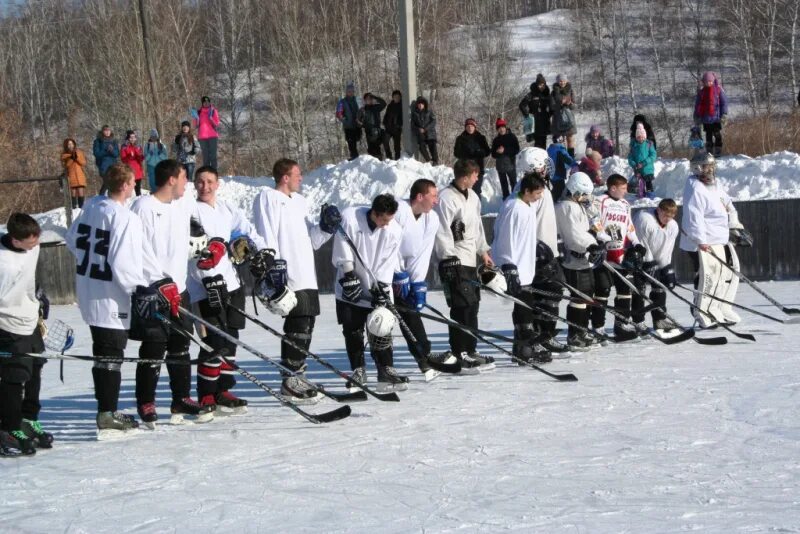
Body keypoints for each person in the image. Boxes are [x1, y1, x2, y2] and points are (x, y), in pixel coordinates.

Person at [65, 163, 160, 438]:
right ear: (127, 185)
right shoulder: (125, 217)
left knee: (104, 352)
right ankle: (107, 413)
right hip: (110, 296)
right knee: (111, 353)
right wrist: (140, 287)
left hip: (89, 290)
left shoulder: (92, 207)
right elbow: (123, 261)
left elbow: (72, 239)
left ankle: (106, 409)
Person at [129, 160, 214, 427]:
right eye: (184, 178)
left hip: (180, 288)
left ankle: (181, 398)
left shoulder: (184, 201)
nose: (188, 183)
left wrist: (206, 245)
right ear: (171, 180)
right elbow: (137, 249)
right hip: (152, 290)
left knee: (180, 346)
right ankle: (146, 401)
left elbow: (196, 230)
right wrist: (159, 280)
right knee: (154, 348)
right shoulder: (143, 207)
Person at [252, 158, 338, 401]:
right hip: (286, 271)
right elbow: (265, 230)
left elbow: (314, 240)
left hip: (306, 273)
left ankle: (299, 375)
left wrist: (326, 227)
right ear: (285, 177)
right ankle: (290, 380)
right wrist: (272, 263)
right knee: (296, 325)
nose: (302, 178)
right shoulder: (268, 197)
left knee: (307, 324)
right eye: (297, 174)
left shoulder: (300, 201)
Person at [189, 165, 266, 412]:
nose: (205, 186)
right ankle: (206, 395)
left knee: (231, 339)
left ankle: (223, 389)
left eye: (210, 181)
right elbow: (188, 252)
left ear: (217, 183)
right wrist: (205, 278)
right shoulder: (189, 211)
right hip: (205, 286)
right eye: (200, 182)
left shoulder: (226, 208)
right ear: (194, 184)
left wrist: (254, 248)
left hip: (231, 283)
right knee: (213, 341)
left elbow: (245, 232)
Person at [332, 195, 409, 391]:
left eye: (389, 220)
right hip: (350, 287)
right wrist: (349, 275)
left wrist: (381, 286)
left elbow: (388, 261)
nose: (385, 224)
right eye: (383, 219)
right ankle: (358, 370)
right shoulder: (350, 218)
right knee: (353, 331)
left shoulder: (394, 230)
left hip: (377, 285)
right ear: (374, 213)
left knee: (381, 329)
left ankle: (386, 370)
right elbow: (342, 248)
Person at [434, 159, 495, 370]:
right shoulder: (446, 198)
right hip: (454, 259)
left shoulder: (474, 197)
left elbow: (477, 227)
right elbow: (441, 229)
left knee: (473, 305)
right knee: (461, 306)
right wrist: (447, 256)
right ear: (465, 176)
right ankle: (459, 351)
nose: (477, 178)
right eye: (475, 175)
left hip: (470, 259)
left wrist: (483, 251)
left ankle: (471, 349)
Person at [391, 178, 452, 381]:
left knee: (410, 311)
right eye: (433, 196)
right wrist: (397, 273)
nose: (436, 201)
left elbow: (422, 253)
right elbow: (387, 244)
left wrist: (417, 282)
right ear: (420, 196)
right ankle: (384, 367)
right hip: (385, 272)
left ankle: (423, 356)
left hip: (405, 275)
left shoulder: (431, 219)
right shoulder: (399, 211)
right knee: (383, 319)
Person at [0, 213, 51, 456]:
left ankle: (28, 418)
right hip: (8, 325)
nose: (35, 243)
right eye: (30, 241)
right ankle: (9, 428)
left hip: (30, 318)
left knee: (36, 368)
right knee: (14, 376)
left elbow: (29, 277)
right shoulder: (4, 264)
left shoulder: (33, 245)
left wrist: (38, 295)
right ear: (15, 240)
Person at [679, 152, 746, 328]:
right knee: (707, 277)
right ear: (697, 168)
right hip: (703, 241)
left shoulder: (716, 185)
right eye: (707, 167)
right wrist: (701, 241)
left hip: (720, 239)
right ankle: (701, 311)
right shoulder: (695, 187)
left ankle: (721, 307)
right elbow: (695, 217)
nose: (711, 170)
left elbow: (729, 206)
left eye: (712, 166)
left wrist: (735, 227)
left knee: (726, 274)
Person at [492, 173, 552, 364]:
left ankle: (523, 348)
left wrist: (538, 248)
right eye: (537, 193)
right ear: (526, 191)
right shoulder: (513, 207)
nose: (539, 197)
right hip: (515, 265)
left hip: (526, 266)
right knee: (524, 307)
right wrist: (508, 264)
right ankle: (524, 348)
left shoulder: (528, 206)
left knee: (526, 306)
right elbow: (504, 237)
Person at [515, 147, 569, 353]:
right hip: (537, 254)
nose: (548, 166)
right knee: (542, 296)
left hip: (548, 250)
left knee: (552, 294)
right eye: (544, 163)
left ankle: (546, 334)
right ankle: (538, 337)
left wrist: (556, 245)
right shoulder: (528, 191)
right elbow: (527, 223)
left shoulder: (543, 187)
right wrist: (537, 249)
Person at [591, 174, 645, 339]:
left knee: (624, 290)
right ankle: (598, 327)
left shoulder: (625, 204)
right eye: (623, 188)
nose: (626, 191)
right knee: (602, 291)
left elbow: (629, 226)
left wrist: (637, 243)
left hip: (620, 254)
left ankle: (621, 324)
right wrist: (603, 238)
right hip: (604, 254)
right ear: (612, 188)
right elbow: (594, 222)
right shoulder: (600, 201)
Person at [554, 172, 600, 350]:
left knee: (586, 294)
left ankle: (582, 330)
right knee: (579, 295)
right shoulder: (566, 207)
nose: (585, 197)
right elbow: (574, 235)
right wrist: (591, 245)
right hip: (572, 258)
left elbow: (587, 228)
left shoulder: (577, 205)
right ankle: (575, 334)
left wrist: (596, 240)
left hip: (583, 258)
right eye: (582, 193)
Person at [632, 198, 680, 332]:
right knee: (639, 291)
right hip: (638, 259)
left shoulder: (673, 226)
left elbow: (667, 249)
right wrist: (648, 263)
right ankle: (638, 322)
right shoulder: (644, 219)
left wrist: (666, 268)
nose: (667, 219)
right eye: (665, 215)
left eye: (671, 216)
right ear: (658, 210)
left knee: (659, 288)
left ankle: (660, 319)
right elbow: (641, 243)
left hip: (656, 260)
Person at [454, 118, 491, 198]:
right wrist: (466, 153)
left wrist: (479, 152)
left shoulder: (481, 138)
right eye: (468, 126)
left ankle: (477, 209)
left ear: (475, 127)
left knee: (476, 191)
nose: (470, 128)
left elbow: (487, 151)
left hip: (478, 170)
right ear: (465, 127)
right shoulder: (460, 139)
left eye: (471, 126)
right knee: (464, 191)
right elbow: (456, 153)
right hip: (465, 170)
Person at [693, 71, 728, 157]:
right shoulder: (702, 92)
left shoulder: (718, 90)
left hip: (716, 119)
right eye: (706, 81)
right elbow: (698, 105)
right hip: (706, 119)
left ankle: (718, 149)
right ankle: (709, 151)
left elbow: (724, 103)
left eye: (710, 81)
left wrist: (724, 114)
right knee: (708, 135)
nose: (708, 83)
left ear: (713, 81)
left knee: (717, 134)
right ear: (703, 82)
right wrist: (696, 115)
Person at [491, 118, 521, 199]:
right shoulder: (496, 140)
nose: (501, 129)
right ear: (497, 129)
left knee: (514, 183)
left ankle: (516, 199)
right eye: (499, 128)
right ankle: (506, 200)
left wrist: (505, 150)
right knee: (503, 185)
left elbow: (517, 149)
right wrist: (497, 151)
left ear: (505, 127)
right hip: (500, 166)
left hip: (510, 164)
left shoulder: (512, 137)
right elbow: (493, 154)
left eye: (502, 127)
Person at [518, 74, 551, 148]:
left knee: (543, 141)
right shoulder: (531, 94)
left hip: (544, 121)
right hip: (534, 121)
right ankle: (537, 158)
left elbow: (552, 106)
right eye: (539, 85)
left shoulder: (547, 94)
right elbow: (521, 105)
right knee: (537, 142)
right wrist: (527, 115)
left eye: (543, 85)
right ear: (536, 85)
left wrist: (550, 114)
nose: (541, 87)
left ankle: (543, 158)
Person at [550, 74, 577, 157]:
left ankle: (571, 158)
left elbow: (575, 106)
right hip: (557, 119)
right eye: (560, 81)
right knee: (559, 140)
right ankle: (562, 158)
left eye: (564, 80)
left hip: (569, 118)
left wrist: (569, 104)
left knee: (570, 139)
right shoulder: (553, 92)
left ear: (567, 81)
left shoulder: (571, 91)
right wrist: (560, 103)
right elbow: (551, 106)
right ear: (557, 81)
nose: (562, 82)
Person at [628, 123, 657, 197]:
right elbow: (630, 157)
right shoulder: (633, 145)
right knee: (640, 183)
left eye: (642, 137)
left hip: (648, 168)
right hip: (638, 169)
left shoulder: (649, 144)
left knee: (648, 183)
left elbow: (653, 155)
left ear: (645, 137)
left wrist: (644, 163)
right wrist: (634, 164)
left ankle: (650, 196)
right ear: (636, 137)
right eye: (638, 137)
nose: (640, 139)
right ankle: (641, 195)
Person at [192, 96, 220, 170]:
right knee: (205, 155)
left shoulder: (213, 111)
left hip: (213, 136)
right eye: (204, 102)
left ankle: (214, 172)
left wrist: (211, 118)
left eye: (208, 102)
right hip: (202, 137)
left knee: (213, 155)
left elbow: (217, 124)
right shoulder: (199, 112)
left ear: (210, 102)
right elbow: (195, 125)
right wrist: (195, 118)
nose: (206, 103)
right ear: (202, 103)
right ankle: (207, 172)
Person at [336, 82, 362, 160]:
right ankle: (354, 157)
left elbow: (362, 110)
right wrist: (344, 121)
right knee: (351, 142)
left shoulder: (357, 100)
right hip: (348, 126)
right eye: (349, 91)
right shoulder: (342, 102)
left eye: (352, 91)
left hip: (357, 125)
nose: (350, 92)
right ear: (346, 92)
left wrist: (361, 119)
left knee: (358, 138)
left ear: (354, 91)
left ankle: (359, 158)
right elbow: (338, 113)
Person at [358, 92, 387, 160]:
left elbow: (384, 103)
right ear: (365, 100)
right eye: (367, 99)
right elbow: (358, 122)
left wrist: (375, 97)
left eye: (371, 99)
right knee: (372, 150)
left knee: (377, 148)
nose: (369, 100)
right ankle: (373, 165)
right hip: (369, 132)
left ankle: (380, 163)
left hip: (378, 131)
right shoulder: (362, 110)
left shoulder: (376, 107)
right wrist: (363, 125)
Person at [410, 96, 438, 165]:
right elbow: (412, 125)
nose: (420, 105)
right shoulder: (415, 113)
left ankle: (435, 161)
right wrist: (418, 129)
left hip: (430, 133)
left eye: (422, 104)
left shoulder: (429, 111)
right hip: (421, 134)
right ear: (417, 104)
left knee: (433, 146)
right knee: (421, 147)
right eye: (419, 104)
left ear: (424, 104)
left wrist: (426, 128)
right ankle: (428, 161)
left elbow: (433, 121)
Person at [546, 135, 575, 201]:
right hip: (558, 175)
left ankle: (553, 202)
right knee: (561, 192)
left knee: (554, 190)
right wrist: (575, 164)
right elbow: (569, 160)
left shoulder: (548, 149)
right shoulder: (560, 150)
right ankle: (558, 205)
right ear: (561, 141)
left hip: (550, 175)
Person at [61, 138, 87, 209]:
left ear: (74, 144)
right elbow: (65, 165)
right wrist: (72, 158)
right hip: (71, 175)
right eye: (69, 144)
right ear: (66, 146)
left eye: (71, 144)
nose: (70, 145)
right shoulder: (64, 155)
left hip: (80, 175)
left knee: (81, 191)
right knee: (73, 192)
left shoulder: (79, 152)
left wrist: (77, 158)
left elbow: (83, 163)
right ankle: (74, 208)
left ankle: (81, 208)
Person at [120, 130, 145, 196]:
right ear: (128, 138)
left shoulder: (138, 146)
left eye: (134, 137)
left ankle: (139, 199)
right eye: (131, 137)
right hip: (130, 169)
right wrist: (129, 157)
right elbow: (123, 159)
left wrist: (137, 152)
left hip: (138, 169)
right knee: (129, 187)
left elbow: (141, 158)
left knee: (138, 188)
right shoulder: (124, 147)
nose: (133, 139)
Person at [382, 90, 403, 160]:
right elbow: (386, 115)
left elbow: (403, 117)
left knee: (397, 146)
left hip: (397, 129)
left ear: (400, 97)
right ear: (393, 97)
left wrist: (399, 125)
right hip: (388, 128)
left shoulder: (402, 106)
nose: (396, 98)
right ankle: (389, 157)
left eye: (398, 97)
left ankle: (397, 159)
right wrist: (384, 122)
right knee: (385, 141)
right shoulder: (390, 105)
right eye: (395, 97)